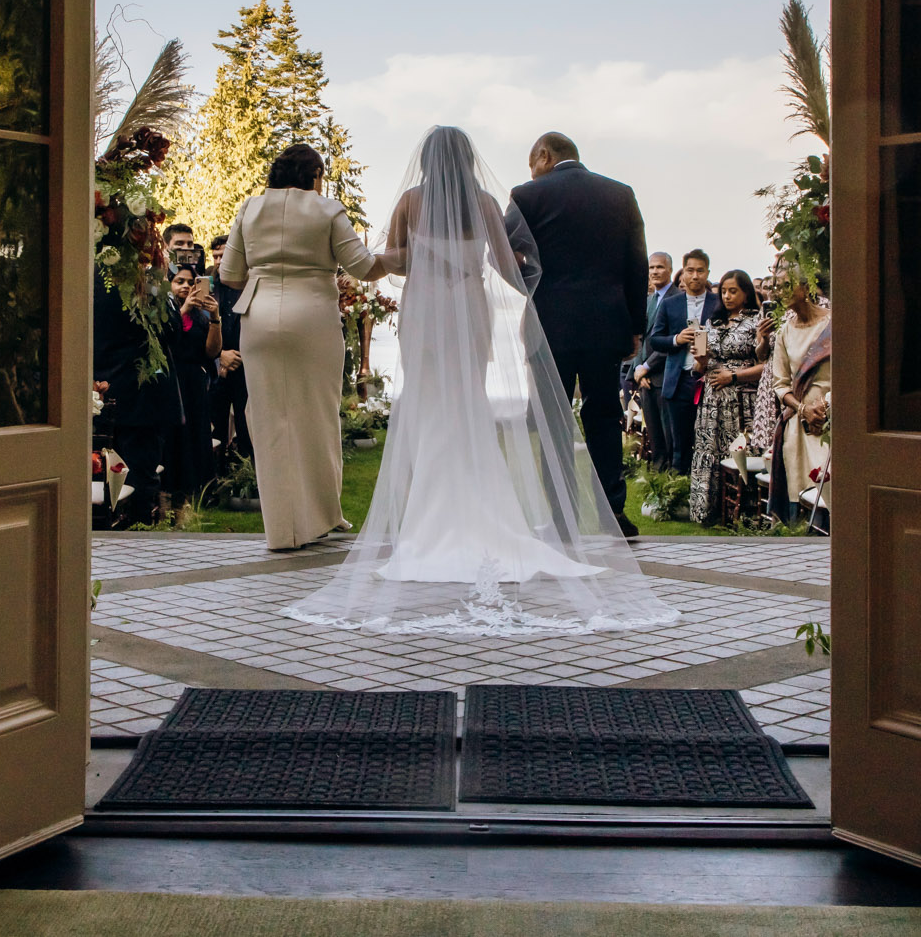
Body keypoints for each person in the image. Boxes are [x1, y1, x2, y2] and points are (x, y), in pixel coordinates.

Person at [285, 125, 676, 635]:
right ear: (467, 158)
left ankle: (428, 522)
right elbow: (506, 265)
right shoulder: (487, 202)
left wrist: (418, 260)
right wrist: (528, 295)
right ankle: (495, 518)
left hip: (426, 311)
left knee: (428, 406)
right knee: (468, 399)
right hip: (469, 307)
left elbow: (394, 260)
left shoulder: (409, 200)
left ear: (426, 158)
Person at [217, 143, 392, 550]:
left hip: (258, 318)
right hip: (312, 316)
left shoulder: (249, 208)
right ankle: (321, 516)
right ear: (313, 175)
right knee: (317, 414)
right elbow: (363, 266)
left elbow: (229, 274)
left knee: (267, 419)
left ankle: (282, 529)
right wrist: (400, 258)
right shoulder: (327, 209)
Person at [508, 132, 650, 536]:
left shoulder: (528, 195)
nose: (531, 173)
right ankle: (614, 514)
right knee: (605, 416)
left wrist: (527, 285)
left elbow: (500, 250)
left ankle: (562, 517)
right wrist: (636, 326)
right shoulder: (620, 194)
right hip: (606, 326)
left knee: (553, 420)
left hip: (548, 326)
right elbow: (637, 264)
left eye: (532, 164)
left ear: (543, 155)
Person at [686, 269, 773, 524]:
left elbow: (767, 365)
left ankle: (744, 513)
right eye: (723, 291)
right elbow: (698, 369)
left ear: (746, 293)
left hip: (741, 399)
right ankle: (708, 511)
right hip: (712, 399)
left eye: (733, 291)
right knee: (707, 450)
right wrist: (700, 361)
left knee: (739, 451)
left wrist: (733, 377)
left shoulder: (758, 322)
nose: (726, 296)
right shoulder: (713, 323)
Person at [92, 271, 178, 527]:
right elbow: (171, 330)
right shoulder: (146, 284)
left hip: (100, 388)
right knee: (139, 477)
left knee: (102, 473)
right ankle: (140, 538)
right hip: (141, 397)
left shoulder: (86, 276)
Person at [646, 250, 719, 486]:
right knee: (679, 441)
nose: (695, 276)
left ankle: (705, 491)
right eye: (690, 270)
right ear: (683, 272)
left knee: (707, 439)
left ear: (707, 273)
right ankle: (677, 490)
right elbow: (655, 339)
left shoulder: (718, 304)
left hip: (710, 380)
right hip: (679, 379)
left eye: (700, 271)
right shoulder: (670, 304)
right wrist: (676, 339)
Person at [768, 267, 832, 525]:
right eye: (776, 285)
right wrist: (803, 408)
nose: (779, 291)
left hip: (833, 418)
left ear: (806, 288)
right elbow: (780, 383)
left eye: (786, 285)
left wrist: (827, 408)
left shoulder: (833, 323)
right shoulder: (785, 331)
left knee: (830, 484)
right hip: (800, 421)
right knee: (801, 483)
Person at [161, 264, 222, 507]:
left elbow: (212, 350)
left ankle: (199, 493)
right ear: (169, 285)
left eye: (190, 282)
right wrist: (183, 310)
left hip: (194, 383)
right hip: (171, 382)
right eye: (180, 281)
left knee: (197, 436)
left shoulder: (200, 315)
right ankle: (172, 493)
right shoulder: (165, 312)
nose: (186, 286)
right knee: (175, 439)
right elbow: (167, 341)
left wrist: (215, 317)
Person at [206, 233, 251, 470]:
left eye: (224, 255)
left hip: (246, 365)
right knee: (217, 426)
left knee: (246, 425)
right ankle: (217, 477)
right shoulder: (208, 285)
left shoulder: (249, 282)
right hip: (217, 367)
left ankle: (247, 476)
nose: (219, 261)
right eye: (215, 256)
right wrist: (220, 355)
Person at [628, 251, 674, 467]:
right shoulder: (647, 301)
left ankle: (675, 487)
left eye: (660, 267)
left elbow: (673, 340)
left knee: (669, 437)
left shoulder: (677, 299)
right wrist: (638, 369)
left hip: (666, 375)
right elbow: (639, 336)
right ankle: (658, 486)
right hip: (645, 379)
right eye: (652, 268)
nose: (655, 271)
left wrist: (647, 367)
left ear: (670, 270)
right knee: (655, 436)